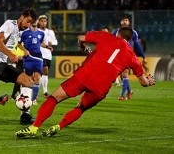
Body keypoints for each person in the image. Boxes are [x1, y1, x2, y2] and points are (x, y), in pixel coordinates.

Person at [15, 27, 155, 138]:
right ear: (130, 39)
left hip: (84, 76)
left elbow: (81, 38)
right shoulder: (132, 55)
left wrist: (83, 48)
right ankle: (58, 127)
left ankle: (34, 127)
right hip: (101, 88)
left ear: (118, 33)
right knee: (81, 107)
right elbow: (143, 82)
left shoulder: (107, 36)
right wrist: (149, 81)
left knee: (54, 98)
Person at [112, 16, 147, 100]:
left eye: (126, 20)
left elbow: (137, 45)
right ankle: (129, 91)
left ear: (129, 22)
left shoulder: (133, 32)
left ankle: (122, 95)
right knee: (122, 76)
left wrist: (143, 56)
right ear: (121, 22)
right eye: (123, 20)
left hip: (127, 55)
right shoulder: (115, 32)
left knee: (124, 74)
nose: (125, 22)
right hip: (117, 56)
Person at [18, 20, 45, 105]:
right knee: (27, 80)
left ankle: (33, 99)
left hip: (38, 59)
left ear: (37, 22)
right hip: (28, 58)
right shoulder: (24, 33)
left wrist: (48, 46)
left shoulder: (41, 33)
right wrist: (24, 51)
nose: (34, 21)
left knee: (37, 78)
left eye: (36, 20)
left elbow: (39, 44)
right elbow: (18, 44)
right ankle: (25, 97)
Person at [38, 15, 58, 98]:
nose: (43, 23)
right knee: (44, 70)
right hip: (39, 54)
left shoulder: (50, 32)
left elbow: (55, 42)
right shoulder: (37, 31)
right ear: (39, 22)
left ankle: (41, 90)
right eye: (42, 21)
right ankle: (45, 91)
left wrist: (51, 43)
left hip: (48, 54)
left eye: (45, 21)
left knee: (44, 73)